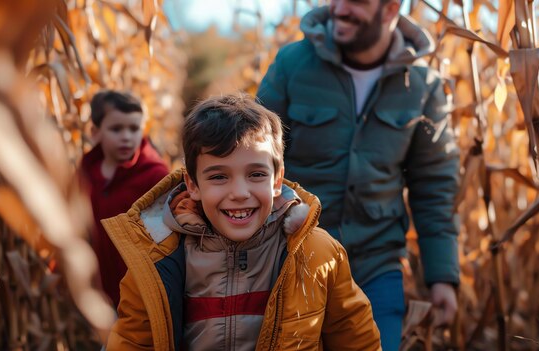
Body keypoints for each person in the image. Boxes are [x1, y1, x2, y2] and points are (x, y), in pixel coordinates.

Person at [102, 94, 381, 350]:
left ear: (278, 179)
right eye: (219, 177)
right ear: (193, 184)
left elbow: (356, 340)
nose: (239, 193)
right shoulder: (157, 260)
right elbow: (132, 342)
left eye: (256, 174)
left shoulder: (317, 254)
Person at [256, 1, 460, 350]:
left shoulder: (423, 86)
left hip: (375, 267)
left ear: (390, 8)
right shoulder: (292, 64)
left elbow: (433, 187)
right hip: (293, 260)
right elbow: (254, 156)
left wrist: (442, 275)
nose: (340, 8)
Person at [80, 90, 169, 308]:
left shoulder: (155, 176)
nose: (127, 137)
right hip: (102, 284)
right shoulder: (87, 170)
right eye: (116, 129)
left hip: (141, 288)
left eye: (134, 128)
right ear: (95, 132)